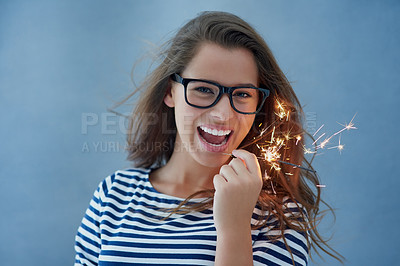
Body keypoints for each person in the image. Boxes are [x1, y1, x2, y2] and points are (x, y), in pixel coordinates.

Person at [75, 11, 342, 265]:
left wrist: (235, 227)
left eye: (242, 94)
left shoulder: (279, 216)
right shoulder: (113, 195)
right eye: (203, 89)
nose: (223, 114)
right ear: (170, 92)